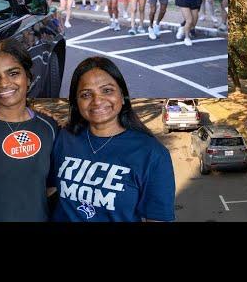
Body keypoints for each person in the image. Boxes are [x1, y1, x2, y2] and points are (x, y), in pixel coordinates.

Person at [49, 57, 175, 222]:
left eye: (107, 90)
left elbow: (159, 218)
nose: (97, 100)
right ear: (76, 102)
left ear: (122, 96)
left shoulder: (152, 153)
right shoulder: (63, 139)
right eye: (86, 94)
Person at [0, 39, 58, 221]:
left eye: (13, 73)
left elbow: (52, 186)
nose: (4, 83)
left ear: (28, 77)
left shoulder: (49, 127)